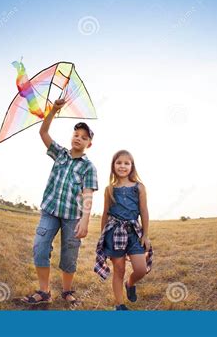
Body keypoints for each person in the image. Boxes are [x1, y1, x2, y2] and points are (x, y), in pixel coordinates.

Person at [22, 99, 98, 305]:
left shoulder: (88, 167)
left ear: (88, 144)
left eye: (84, 138)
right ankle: (44, 291)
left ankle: (67, 291)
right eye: (76, 135)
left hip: (72, 217)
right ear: (71, 137)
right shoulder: (60, 154)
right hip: (50, 211)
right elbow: (43, 133)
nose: (78, 139)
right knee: (40, 247)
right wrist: (53, 110)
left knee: (69, 255)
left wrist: (85, 220)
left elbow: (88, 194)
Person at [94, 150, 153, 310]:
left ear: (132, 166)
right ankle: (119, 305)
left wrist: (145, 235)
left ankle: (130, 283)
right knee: (119, 270)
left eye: (127, 163)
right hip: (114, 233)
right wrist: (103, 238)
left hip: (134, 232)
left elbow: (144, 211)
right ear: (113, 166)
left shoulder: (139, 187)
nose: (122, 166)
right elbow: (105, 214)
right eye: (119, 162)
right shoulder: (109, 189)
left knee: (141, 269)